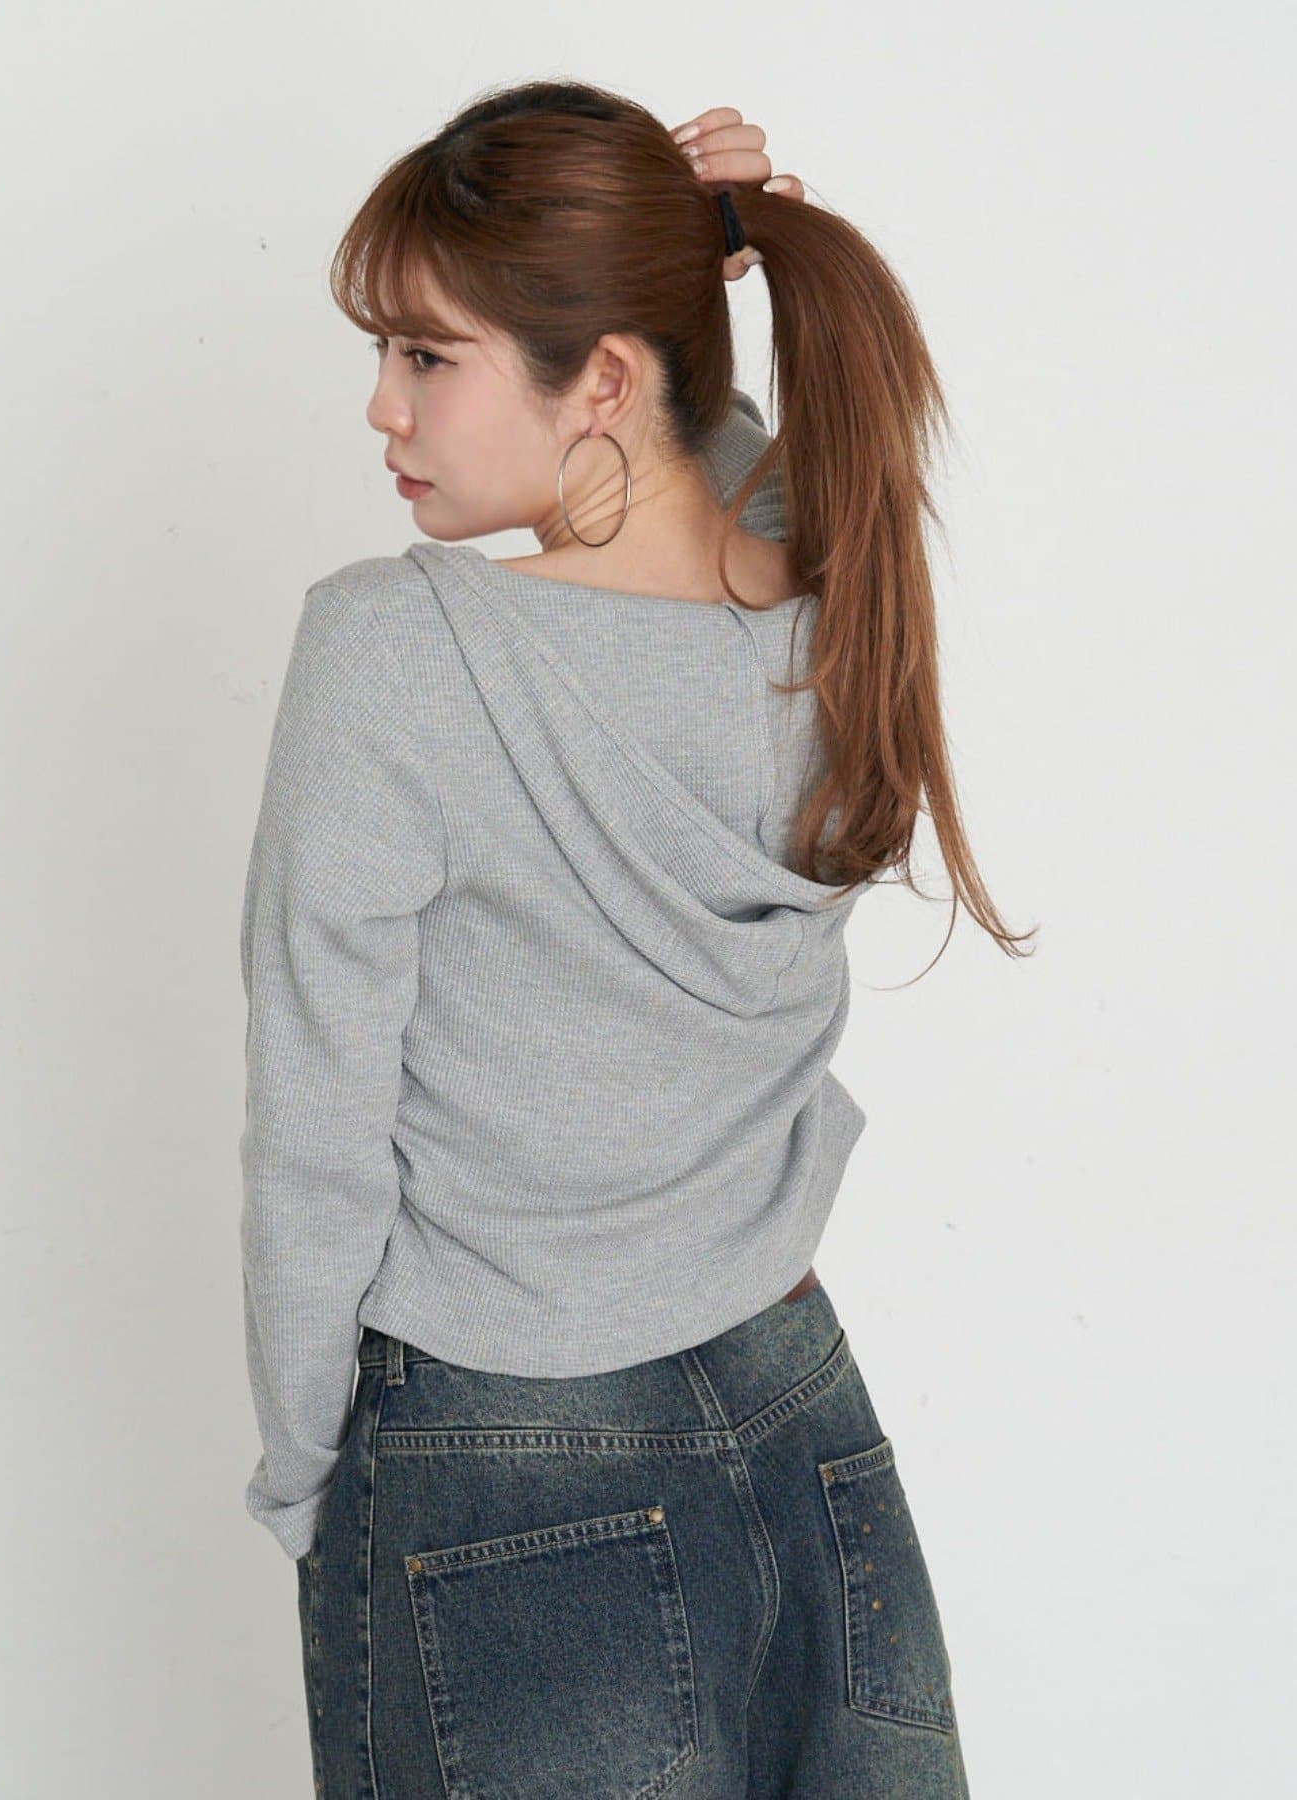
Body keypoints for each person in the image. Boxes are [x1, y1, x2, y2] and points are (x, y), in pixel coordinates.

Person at [239, 81, 1031, 1796]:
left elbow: (317, 1127)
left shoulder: (394, 652)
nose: (382, 405)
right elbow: (705, 478)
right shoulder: (822, 588)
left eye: (427, 355)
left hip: (499, 1440)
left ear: (602, 379)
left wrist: (309, 1474)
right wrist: (682, 277)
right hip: (801, 1407)